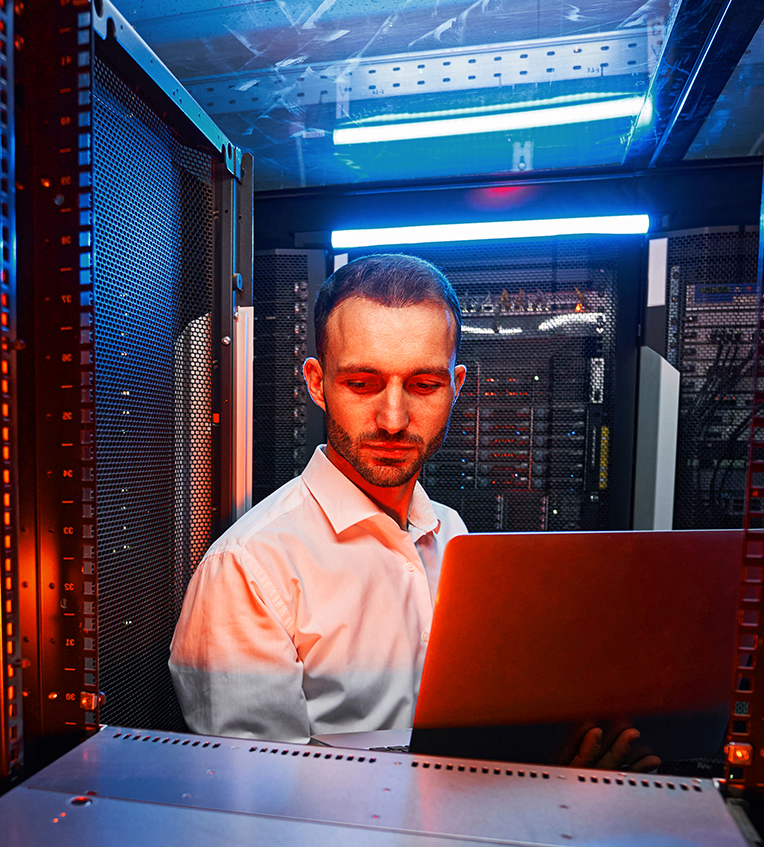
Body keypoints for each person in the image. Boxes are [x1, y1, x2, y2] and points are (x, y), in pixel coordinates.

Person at [170, 253, 655, 770]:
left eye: (424, 385)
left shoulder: (452, 535)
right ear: (316, 383)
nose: (394, 419)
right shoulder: (248, 569)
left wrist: (554, 772)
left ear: (456, 386)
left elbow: (479, 735)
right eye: (362, 383)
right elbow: (267, 812)